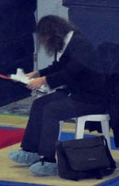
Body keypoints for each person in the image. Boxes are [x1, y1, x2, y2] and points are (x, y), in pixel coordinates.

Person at [9, 15, 106, 176]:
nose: (44, 41)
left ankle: (48, 160)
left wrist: (44, 80)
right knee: (39, 104)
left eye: (44, 37)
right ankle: (30, 150)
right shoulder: (68, 43)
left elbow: (71, 72)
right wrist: (37, 73)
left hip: (91, 98)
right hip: (76, 93)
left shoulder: (80, 44)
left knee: (52, 110)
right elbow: (58, 67)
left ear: (52, 34)